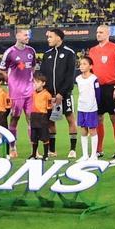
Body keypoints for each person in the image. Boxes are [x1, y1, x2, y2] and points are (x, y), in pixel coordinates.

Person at [39, 28, 78, 158]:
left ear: (58, 38)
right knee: (51, 121)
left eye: (50, 37)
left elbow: (70, 76)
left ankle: (72, 149)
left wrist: (61, 93)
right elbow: (43, 75)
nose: (48, 39)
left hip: (65, 94)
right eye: (48, 37)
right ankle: (52, 150)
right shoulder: (47, 54)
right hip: (49, 95)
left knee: (70, 118)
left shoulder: (69, 53)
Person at [88, 24, 115, 159]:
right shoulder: (92, 50)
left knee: (114, 117)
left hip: (110, 87)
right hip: (96, 88)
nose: (98, 34)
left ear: (108, 34)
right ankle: (99, 149)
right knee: (98, 118)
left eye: (101, 32)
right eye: (97, 32)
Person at [0, 27, 36, 137]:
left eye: (28, 35)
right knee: (15, 118)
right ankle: (12, 146)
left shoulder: (31, 51)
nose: (28, 37)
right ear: (17, 36)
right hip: (16, 92)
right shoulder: (10, 52)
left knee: (31, 118)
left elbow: (33, 67)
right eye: (25, 35)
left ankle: (34, 150)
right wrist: (11, 82)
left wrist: (30, 80)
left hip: (30, 90)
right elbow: (1, 70)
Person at [73, 56, 100, 163]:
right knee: (83, 129)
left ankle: (94, 155)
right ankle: (85, 155)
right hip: (81, 107)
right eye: (80, 64)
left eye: (84, 64)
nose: (82, 66)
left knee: (92, 130)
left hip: (91, 107)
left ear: (90, 66)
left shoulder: (94, 79)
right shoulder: (78, 79)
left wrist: (97, 106)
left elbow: (98, 95)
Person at [28, 73, 54, 161]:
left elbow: (50, 108)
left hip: (42, 117)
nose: (35, 84)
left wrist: (46, 118)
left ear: (43, 83)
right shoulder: (32, 93)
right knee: (34, 137)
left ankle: (46, 154)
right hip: (34, 116)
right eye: (34, 82)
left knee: (44, 137)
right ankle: (33, 154)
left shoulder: (47, 95)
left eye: (37, 82)